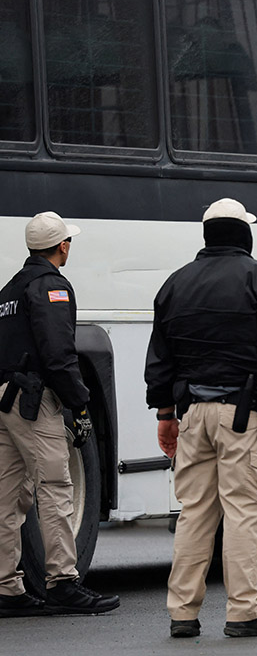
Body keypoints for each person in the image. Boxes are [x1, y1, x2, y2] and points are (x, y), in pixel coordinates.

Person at [145, 199, 257, 638]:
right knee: (245, 512)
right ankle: (245, 610)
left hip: (192, 416)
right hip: (244, 417)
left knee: (195, 513)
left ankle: (183, 612)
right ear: (244, 233)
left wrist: (166, 416)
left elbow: (160, 361)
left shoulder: (174, 284)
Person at [0, 212, 119, 618]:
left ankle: (6, 589)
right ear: (62, 246)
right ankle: (63, 582)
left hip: (5, 401)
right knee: (54, 486)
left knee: (7, 495)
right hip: (35, 401)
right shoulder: (51, 287)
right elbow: (58, 355)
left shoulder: (9, 289)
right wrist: (80, 404)